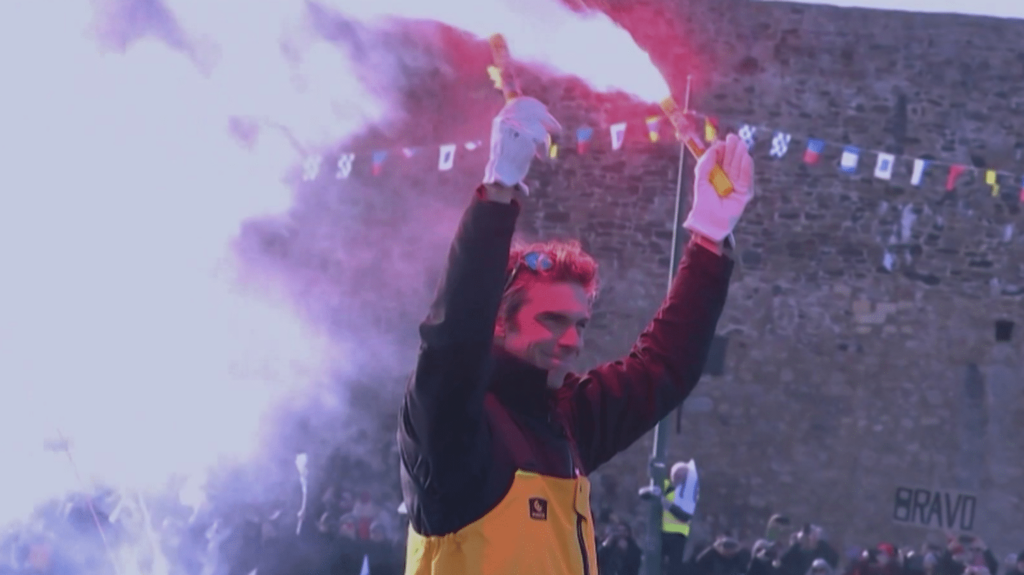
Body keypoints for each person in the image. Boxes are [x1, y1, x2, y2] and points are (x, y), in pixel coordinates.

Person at [397, 95, 754, 574]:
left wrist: (709, 240)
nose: (572, 341)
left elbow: (662, 368)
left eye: (580, 324)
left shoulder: (567, 421)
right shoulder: (452, 428)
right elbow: (452, 341)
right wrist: (499, 193)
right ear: (499, 321)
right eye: (552, 321)